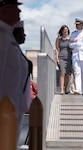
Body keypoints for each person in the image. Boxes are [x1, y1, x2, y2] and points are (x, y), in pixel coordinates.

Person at [0, 0, 31, 142]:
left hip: (13, 109)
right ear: (4, 11)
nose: (19, 12)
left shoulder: (7, 37)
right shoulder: (2, 38)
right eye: (15, 8)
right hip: (4, 111)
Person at [55, 25, 72, 94]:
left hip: (69, 57)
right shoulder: (58, 39)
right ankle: (61, 89)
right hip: (61, 57)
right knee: (62, 73)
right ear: (62, 31)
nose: (66, 31)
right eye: (64, 29)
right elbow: (56, 49)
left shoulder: (70, 39)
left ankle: (66, 89)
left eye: (67, 30)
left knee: (67, 74)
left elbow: (72, 48)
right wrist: (57, 58)